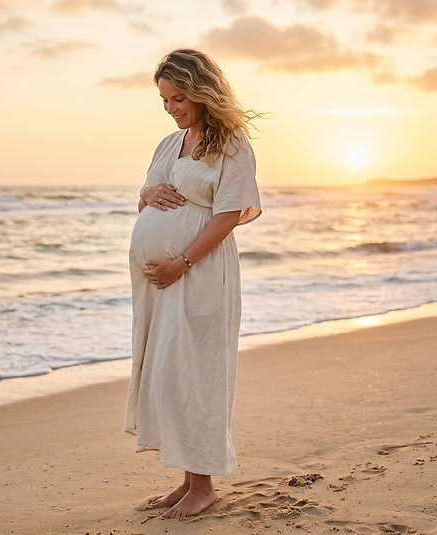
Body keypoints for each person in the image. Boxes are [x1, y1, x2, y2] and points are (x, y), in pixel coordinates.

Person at [124, 48, 262, 519]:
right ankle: (186, 481)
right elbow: (149, 196)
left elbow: (228, 215)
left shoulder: (232, 143)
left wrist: (181, 261)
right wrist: (146, 194)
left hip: (200, 274)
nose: (172, 108)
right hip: (163, 283)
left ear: (203, 91)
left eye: (179, 97)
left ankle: (204, 487)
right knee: (169, 374)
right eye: (165, 100)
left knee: (197, 373)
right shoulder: (170, 143)